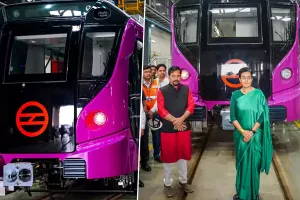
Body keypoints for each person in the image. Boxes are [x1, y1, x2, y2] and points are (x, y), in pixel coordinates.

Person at [230, 67, 273, 200]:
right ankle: (241, 192)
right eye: (243, 77)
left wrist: (252, 131)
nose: (246, 80)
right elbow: (233, 117)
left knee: (254, 165)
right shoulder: (235, 95)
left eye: (249, 77)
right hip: (241, 136)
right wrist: (243, 132)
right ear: (239, 79)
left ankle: (253, 193)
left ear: (252, 79)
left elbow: (262, 115)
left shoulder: (259, 94)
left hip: (256, 135)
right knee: (242, 164)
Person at [157, 66, 195, 197]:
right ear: (169, 76)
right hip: (168, 129)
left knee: (183, 156)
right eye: (173, 76)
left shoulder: (186, 90)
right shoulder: (162, 91)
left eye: (178, 76)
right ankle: (167, 184)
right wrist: (175, 121)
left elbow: (191, 106)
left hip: (183, 128)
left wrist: (181, 119)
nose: (176, 78)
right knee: (168, 158)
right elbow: (161, 110)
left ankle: (183, 181)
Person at [142, 65, 161, 163]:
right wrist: (146, 112)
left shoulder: (156, 83)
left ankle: (157, 155)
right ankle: (145, 159)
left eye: (149, 71)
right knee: (145, 138)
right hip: (144, 114)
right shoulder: (140, 85)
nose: (148, 73)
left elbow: (159, 99)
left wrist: (152, 111)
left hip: (155, 113)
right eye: (146, 72)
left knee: (156, 136)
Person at [140, 86, 151, 171]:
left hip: (141, 120)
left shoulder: (139, 89)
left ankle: (144, 162)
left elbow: (143, 107)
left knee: (144, 143)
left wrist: (142, 126)